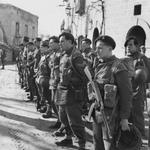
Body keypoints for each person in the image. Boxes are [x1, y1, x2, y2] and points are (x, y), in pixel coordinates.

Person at [89, 35, 132, 150]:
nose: (96, 51)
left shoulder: (118, 67)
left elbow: (126, 95)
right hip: (98, 112)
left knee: (109, 145)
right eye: (96, 48)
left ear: (110, 49)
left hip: (112, 116)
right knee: (97, 142)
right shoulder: (99, 65)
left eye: (100, 48)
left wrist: (124, 118)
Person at [55, 32, 87, 150]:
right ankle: (68, 138)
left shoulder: (76, 56)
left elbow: (85, 76)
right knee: (63, 117)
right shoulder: (64, 55)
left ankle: (81, 144)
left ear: (71, 41)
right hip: (62, 90)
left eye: (62, 41)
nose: (60, 44)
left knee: (75, 120)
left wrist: (71, 79)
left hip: (73, 93)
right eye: (59, 41)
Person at [124, 36, 150, 138]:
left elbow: (148, 75)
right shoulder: (124, 59)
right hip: (125, 91)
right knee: (126, 116)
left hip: (137, 93)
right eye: (126, 45)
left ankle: (139, 140)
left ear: (136, 46)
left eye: (130, 45)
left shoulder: (142, 58)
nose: (128, 47)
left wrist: (140, 74)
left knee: (137, 116)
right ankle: (130, 140)